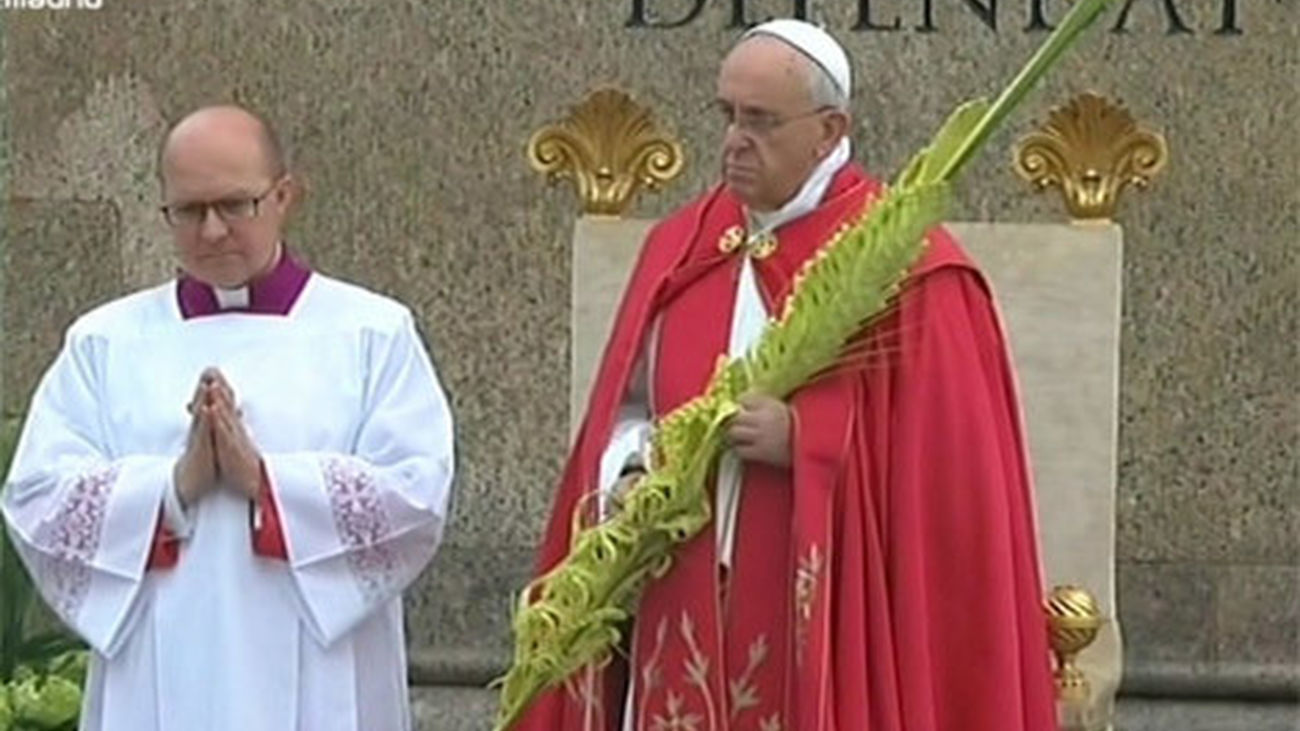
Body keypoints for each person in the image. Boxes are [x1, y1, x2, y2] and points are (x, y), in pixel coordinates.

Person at [518, 19, 1058, 731]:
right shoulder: (683, 248)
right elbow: (628, 409)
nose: (734, 141)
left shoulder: (908, 267)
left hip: (824, 617)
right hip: (677, 595)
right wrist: (633, 466)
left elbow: (953, 493)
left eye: (761, 121)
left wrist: (806, 440)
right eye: (728, 116)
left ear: (829, 131)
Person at [1, 105, 455, 731]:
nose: (211, 230)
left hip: (320, 669)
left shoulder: (372, 332)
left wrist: (265, 481)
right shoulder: (104, 342)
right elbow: (38, 498)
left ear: (284, 197)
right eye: (188, 210)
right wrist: (174, 486)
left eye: (234, 205)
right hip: (157, 664)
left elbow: (416, 495)